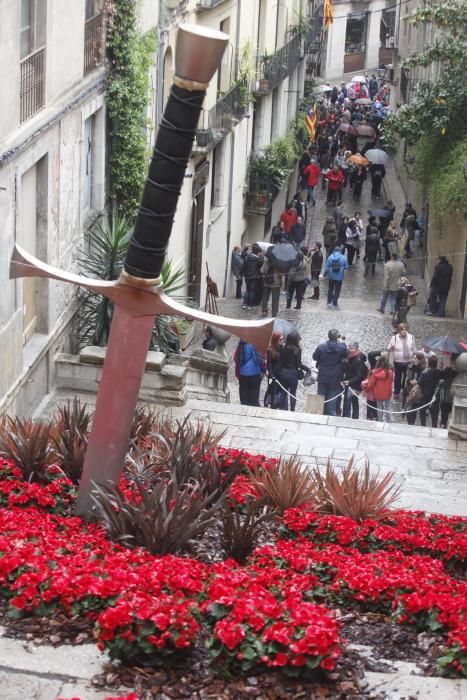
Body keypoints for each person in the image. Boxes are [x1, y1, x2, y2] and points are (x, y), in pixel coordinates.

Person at [313, 329, 348, 416]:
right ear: (337, 337)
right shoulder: (342, 348)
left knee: (320, 399)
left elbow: (314, 357)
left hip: (323, 376)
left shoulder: (321, 347)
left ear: (328, 336)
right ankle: (331, 418)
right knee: (332, 400)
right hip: (335, 378)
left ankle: (319, 416)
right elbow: (346, 356)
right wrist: (342, 343)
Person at [276, 331, 310, 411]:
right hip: (293, 374)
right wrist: (307, 369)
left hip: (284, 373)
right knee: (293, 394)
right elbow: (299, 364)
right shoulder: (297, 350)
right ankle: (292, 410)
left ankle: (282, 409)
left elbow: (280, 361)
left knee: (283, 393)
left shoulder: (284, 348)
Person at [407, 355, 440, 427]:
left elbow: (419, 383)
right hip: (435, 396)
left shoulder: (424, 373)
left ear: (429, 363)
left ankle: (423, 426)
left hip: (425, 395)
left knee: (422, 413)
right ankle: (434, 427)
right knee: (434, 414)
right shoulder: (439, 372)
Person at [387, 323, 417, 399]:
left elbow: (414, 349)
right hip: (398, 361)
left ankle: (405, 390)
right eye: (402, 329)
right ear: (399, 330)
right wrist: (391, 347)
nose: (404, 331)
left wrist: (414, 358)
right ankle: (396, 391)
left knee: (408, 377)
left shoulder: (411, 337)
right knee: (397, 377)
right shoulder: (394, 338)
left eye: (405, 329)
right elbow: (389, 348)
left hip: (408, 361)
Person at [234, 340, 265, 407]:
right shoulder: (256, 342)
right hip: (255, 373)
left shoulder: (241, 342)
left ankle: (244, 413)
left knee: (244, 398)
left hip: (243, 373)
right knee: (254, 399)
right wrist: (263, 370)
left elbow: (236, 357)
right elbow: (259, 358)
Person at [342, 341, 368, 419]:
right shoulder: (350, 357)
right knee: (354, 400)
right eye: (349, 348)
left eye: (352, 348)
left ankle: (347, 416)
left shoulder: (358, 360)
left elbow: (359, 375)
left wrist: (349, 381)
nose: (350, 350)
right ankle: (355, 417)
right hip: (349, 382)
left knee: (348, 399)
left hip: (354, 384)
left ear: (356, 349)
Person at [366, 353, 393, 422]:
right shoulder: (390, 372)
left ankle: (380, 421)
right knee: (388, 407)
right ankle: (388, 421)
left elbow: (371, 384)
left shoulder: (375, 372)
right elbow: (391, 382)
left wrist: (366, 389)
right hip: (387, 393)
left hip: (378, 393)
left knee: (379, 408)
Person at [266, 331, 285, 409]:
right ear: (276, 340)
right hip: (273, 375)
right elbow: (269, 364)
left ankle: (276, 405)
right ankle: (271, 405)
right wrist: (271, 375)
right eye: (280, 339)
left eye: (283, 339)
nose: (282, 341)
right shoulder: (270, 350)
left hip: (280, 374)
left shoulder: (282, 349)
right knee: (272, 391)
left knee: (278, 392)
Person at [438, 355, 458, 428]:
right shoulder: (447, 370)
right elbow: (439, 379)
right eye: (451, 361)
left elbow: (444, 382)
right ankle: (442, 428)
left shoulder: (459, 373)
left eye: (453, 362)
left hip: (454, 399)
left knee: (455, 419)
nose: (452, 363)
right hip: (445, 399)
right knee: (444, 418)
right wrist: (440, 369)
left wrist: (444, 381)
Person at [242, 243, 262, 310]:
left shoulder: (247, 257)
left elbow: (242, 255)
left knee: (247, 290)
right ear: (258, 251)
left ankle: (245, 304)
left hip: (247, 276)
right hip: (255, 277)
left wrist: (246, 248)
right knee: (252, 290)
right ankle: (250, 305)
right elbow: (261, 268)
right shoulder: (259, 259)